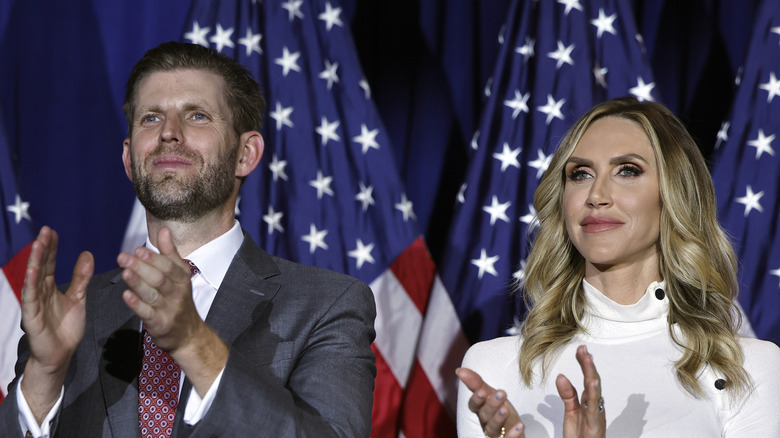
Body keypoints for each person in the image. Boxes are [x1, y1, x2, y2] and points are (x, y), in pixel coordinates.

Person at [0, 41, 377, 437]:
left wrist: (194, 342)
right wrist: (44, 375)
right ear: (129, 159)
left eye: (197, 116)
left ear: (245, 154)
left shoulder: (326, 304)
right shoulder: (70, 315)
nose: (168, 133)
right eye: (150, 118)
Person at [456, 97, 780, 437]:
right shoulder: (495, 368)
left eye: (627, 170)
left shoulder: (747, 367)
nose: (596, 194)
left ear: (674, 194)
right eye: (580, 174)